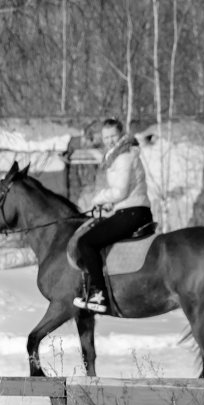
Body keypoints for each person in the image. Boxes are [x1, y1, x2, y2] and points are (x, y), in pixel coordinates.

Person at [73, 118, 153, 314]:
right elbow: (122, 192)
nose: (109, 140)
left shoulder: (124, 156)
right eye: (106, 137)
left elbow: (120, 192)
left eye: (113, 136)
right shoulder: (118, 155)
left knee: (86, 243)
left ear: (121, 134)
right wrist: (110, 204)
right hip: (130, 209)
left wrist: (99, 198)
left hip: (132, 212)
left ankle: (99, 294)